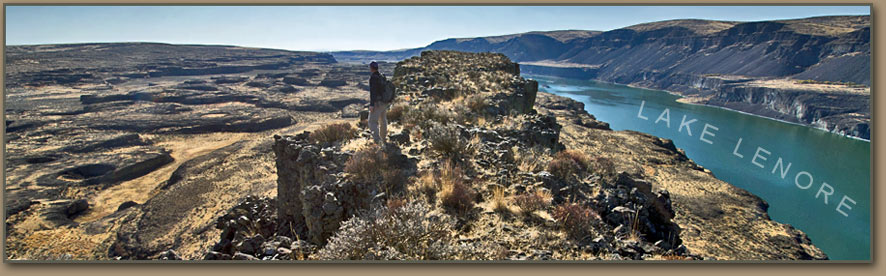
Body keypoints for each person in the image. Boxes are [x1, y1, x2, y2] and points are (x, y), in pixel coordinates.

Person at [367, 61, 388, 144]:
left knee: (372, 121)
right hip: (384, 102)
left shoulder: (373, 78)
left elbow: (373, 92)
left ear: (371, 68)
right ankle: (383, 139)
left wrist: (372, 104)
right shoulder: (381, 76)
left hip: (377, 103)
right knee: (383, 120)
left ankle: (377, 141)